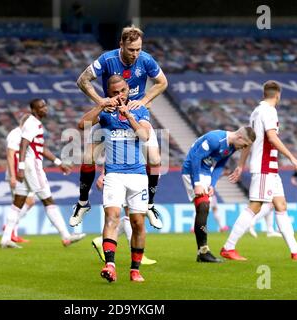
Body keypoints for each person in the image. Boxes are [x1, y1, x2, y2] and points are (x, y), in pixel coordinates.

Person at [70, 24, 168, 230]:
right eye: (131, 49)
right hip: (109, 113)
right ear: (121, 44)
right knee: (88, 157)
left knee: (156, 158)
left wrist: (144, 100)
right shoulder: (107, 60)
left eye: (138, 49)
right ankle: (82, 203)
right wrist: (101, 101)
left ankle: (150, 204)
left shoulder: (146, 60)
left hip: (136, 114)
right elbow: (83, 80)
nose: (135, 54)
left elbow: (162, 82)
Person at [221, 81, 297, 261]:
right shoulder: (269, 111)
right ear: (278, 95)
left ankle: (295, 250)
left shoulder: (256, 112)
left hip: (269, 169)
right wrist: (292, 157)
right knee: (255, 205)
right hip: (264, 167)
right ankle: (228, 247)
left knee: (281, 205)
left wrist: (241, 164)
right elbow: (272, 137)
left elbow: (248, 141)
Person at [78, 75, 152, 282]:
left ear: (128, 89)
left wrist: (129, 116)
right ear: (108, 93)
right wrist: (101, 106)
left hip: (137, 174)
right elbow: (81, 125)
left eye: (123, 91)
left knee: (138, 223)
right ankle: (110, 265)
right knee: (112, 216)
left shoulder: (139, 109)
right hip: (113, 174)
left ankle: (135, 269)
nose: (119, 96)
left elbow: (145, 136)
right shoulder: (105, 112)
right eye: (114, 93)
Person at [0, 99, 86, 248]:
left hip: (28, 166)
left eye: (45, 106)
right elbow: (23, 144)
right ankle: (66, 236)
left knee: (18, 202)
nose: (45, 109)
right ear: (34, 110)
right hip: (32, 167)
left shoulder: (35, 124)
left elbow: (41, 148)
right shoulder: (32, 123)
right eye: (41, 107)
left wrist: (58, 163)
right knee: (48, 200)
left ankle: (5, 238)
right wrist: (20, 167)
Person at [182, 127, 256, 263]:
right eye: (244, 145)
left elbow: (220, 165)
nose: (243, 148)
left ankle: (202, 253)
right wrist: (197, 182)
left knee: (203, 208)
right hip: (192, 170)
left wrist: (212, 184)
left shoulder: (232, 147)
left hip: (206, 172)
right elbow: (195, 158)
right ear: (240, 137)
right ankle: (203, 252)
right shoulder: (215, 139)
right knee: (203, 206)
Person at [91, 170, 157, 265]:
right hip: (126, 175)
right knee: (131, 214)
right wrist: (103, 174)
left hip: (138, 176)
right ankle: (138, 253)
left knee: (133, 215)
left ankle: (101, 241)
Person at [4, 114, 34, 243]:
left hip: (27, 174)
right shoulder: (15, 134)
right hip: (17, 174)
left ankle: (11, 230)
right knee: (19, 203)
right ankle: (11, 232)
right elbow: (10, 155)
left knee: (27, 202)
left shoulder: (26, 135)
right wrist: (12, 176)